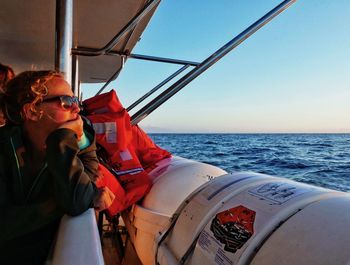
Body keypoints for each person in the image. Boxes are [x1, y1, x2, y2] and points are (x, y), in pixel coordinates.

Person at [0, 70, 115, 264]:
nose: (77, 109)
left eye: (76, 101)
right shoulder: (3, 147)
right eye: (66, 102)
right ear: (32, 111)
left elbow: (76, 199)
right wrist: (58, 204)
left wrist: (61, 141)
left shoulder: (83, 143)